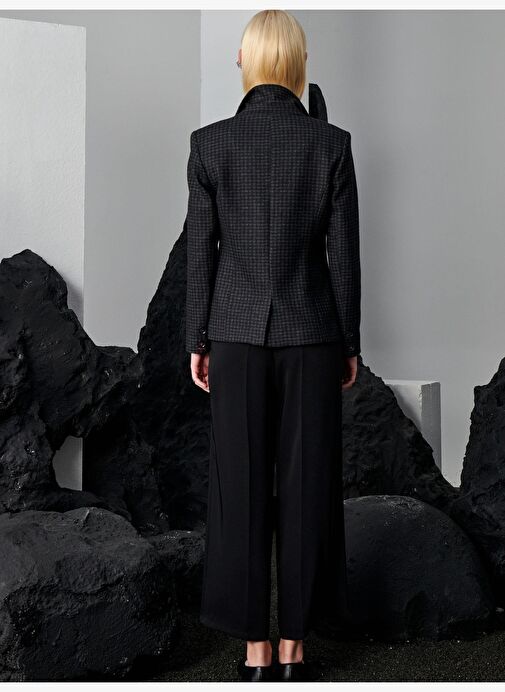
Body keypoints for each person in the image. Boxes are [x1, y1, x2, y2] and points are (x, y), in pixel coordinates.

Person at [185, 9, 360, 683]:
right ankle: (294, 650)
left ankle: (252, 652)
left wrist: (197, 337)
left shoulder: (209, 145)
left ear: (247, 62)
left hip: (233, 333)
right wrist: (349, 342)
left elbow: (201, 254)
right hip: (312, 333)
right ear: (298, 62)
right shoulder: (331, 144)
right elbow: (343, 259)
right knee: (308, 484)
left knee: (238, 489)